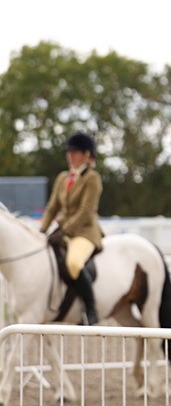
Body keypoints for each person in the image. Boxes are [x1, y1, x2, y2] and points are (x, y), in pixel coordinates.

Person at [39, 132, 104, 325]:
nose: (70, 155)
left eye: (75, 152)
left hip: (84, 232)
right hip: (63, 231)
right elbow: (52, 207)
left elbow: (86, 211)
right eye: (69, 152)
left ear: (86, 155)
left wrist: (64, 230)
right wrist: (41, 231)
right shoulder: (62, 178)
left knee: (74, 263)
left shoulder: (92, 178)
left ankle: (91, 310)